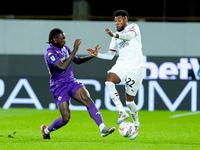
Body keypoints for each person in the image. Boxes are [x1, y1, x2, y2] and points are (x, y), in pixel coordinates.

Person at [41, 28, 115, 139]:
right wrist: (74, 50)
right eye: (62, 38)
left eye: (65, 38)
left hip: (71, 81)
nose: (65, 41)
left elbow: (78, 60)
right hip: (59, 86)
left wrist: (92, 56)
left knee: (86, 98)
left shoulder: (64, 48)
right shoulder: (50, 52)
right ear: (55, 39)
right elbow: (62, 66)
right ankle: (46, 130)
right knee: (65, 118)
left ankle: (102, 128)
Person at [87, 10, 145, 140]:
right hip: (122, 64)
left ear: (125, 19)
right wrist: (97, 55)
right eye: (115, 21)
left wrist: (114, 35)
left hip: (136, 67)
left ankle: (136, 124)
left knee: (130, 102)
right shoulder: (115, 36)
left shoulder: (133, 27)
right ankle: (121, 111)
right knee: (109, 82)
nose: (117, 23)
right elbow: (110, 55)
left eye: (119, 20)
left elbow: (129, 37)